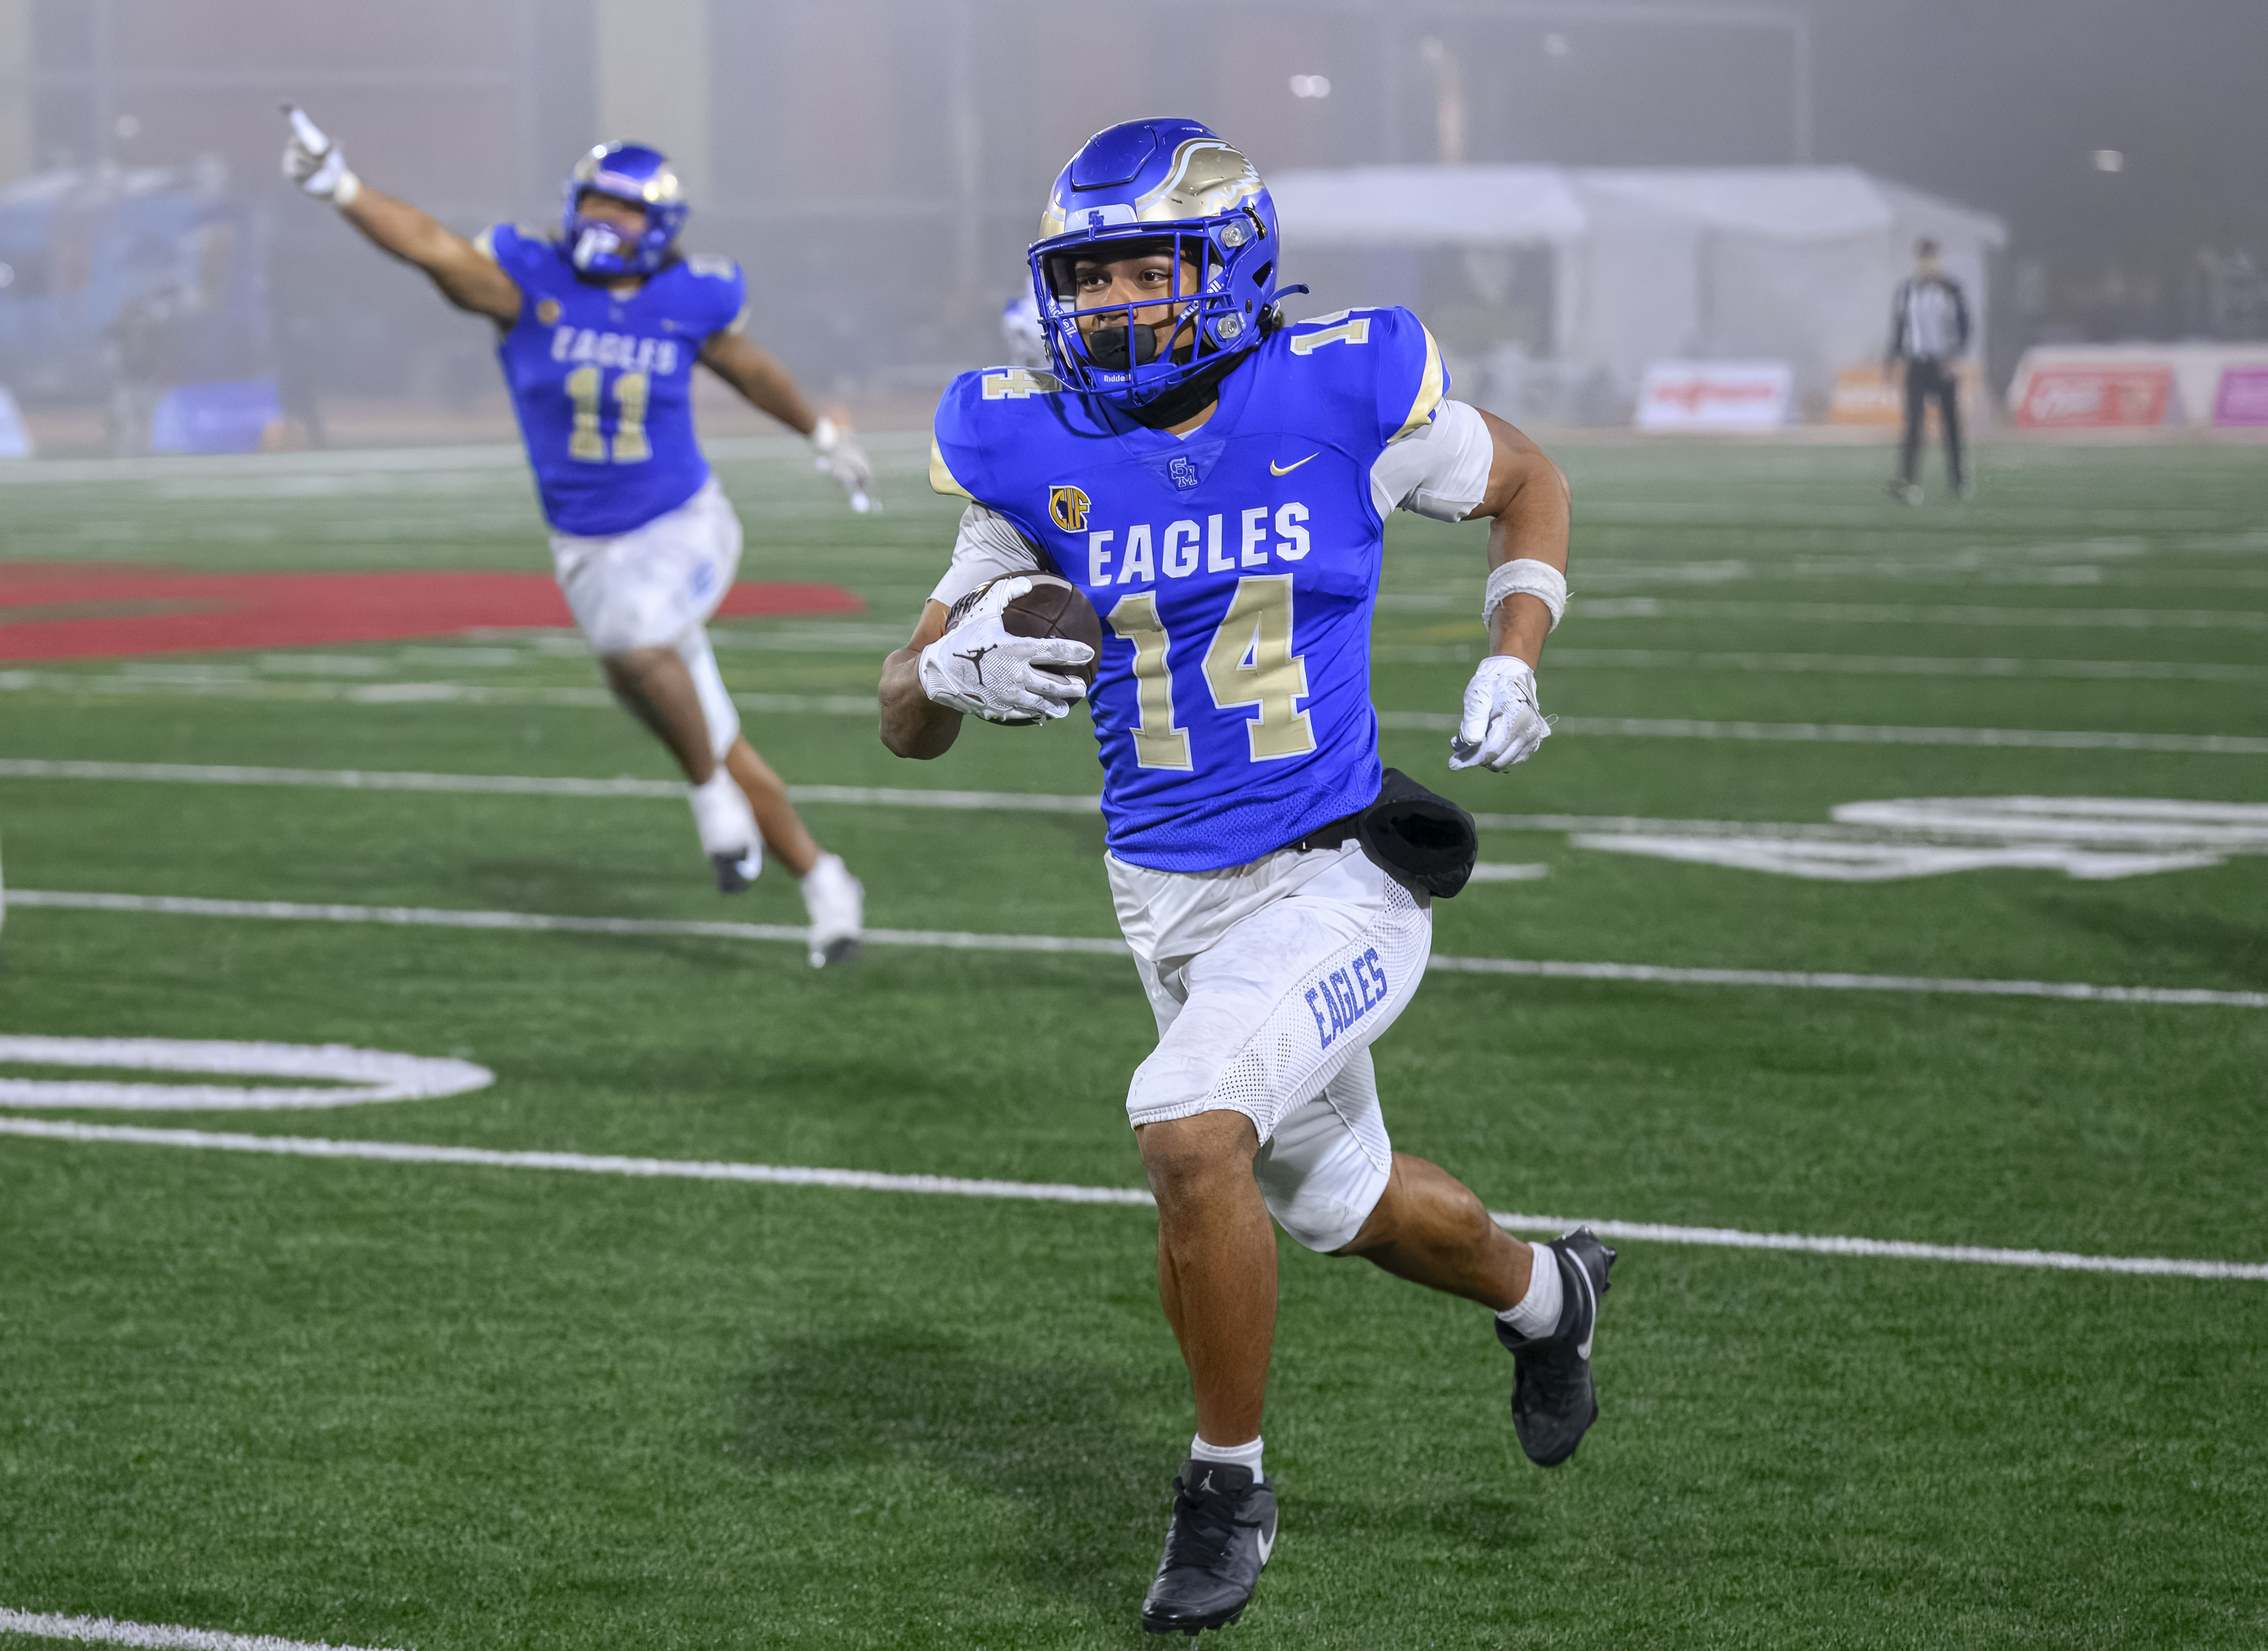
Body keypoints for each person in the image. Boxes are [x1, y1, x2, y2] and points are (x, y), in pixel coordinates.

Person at [878, 118, 1613, 1635]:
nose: (1107, 308)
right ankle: (1550, 1296)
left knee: (1186, 1119)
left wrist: (1512, 653)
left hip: (1337, 862)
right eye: (1083, 279)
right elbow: (902, 719)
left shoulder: (1340, 384)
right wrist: (947, 662)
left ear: (1231, 265)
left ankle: (1226, 1485)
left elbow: (1527, 479)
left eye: (1141, 270)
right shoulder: (1027, 441)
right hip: (1163, 888)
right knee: (1346, 1203)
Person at [280, 109, 866, 966]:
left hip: (682, 525)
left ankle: (711, 808)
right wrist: (340, 184)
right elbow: (430, 247)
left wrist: (820, 433)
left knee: (637, 648)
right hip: (588, 549)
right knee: (701, 718)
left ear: (657, 225)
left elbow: (747, 369)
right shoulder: (529, 285)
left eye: (623, 211)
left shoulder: (684, 297)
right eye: (594, 202)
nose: (603, 221)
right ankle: (823, 882)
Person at [1886, 237, 1972, 505]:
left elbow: (1964, 325)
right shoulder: (1908, 289)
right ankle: (1908, 482)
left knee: (1951, 426)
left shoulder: (1951, 288)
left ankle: (1958, 482)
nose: (1928, 263)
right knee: (1914, 425)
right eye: (1923, 258)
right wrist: (1894, 358)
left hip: (1943, 363)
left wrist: (1954, 357)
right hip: (1918, 363)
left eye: (1932, 257)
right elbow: (1900, 325)